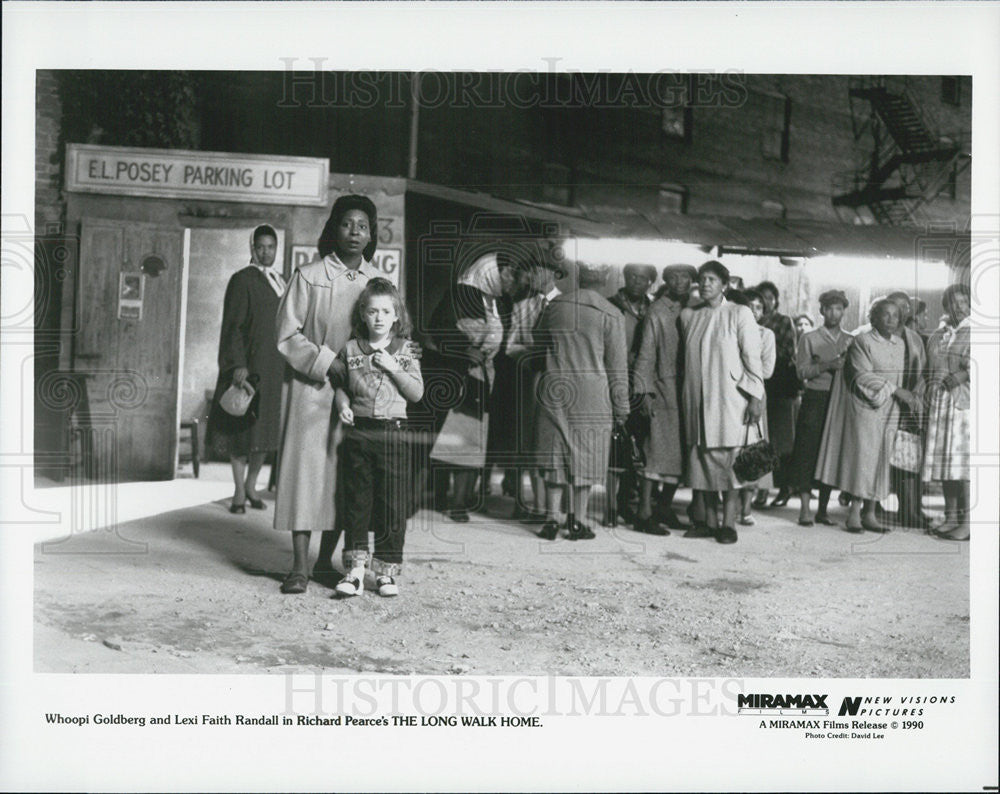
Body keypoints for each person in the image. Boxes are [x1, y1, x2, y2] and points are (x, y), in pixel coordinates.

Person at [274, 195, 380, 595]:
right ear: (333, 229)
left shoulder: (377, 284)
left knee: (343, 479)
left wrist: (358, 369)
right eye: (347, 224)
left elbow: (388, 335)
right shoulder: (308, 275)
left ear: (371, 235)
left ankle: (324, 563)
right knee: (304, 476)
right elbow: (286, 334)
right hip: (309, 389)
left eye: (363, 226)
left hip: (356, 392)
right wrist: (325, 361)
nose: (355, 232)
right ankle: (299, 565)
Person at [329, 279, 423, 597]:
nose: (379, 318)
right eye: (373, 311)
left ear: (396, 315)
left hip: (394, 435)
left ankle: (385, 573)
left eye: (386, 311)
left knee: (392, 505)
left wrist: (395, 367)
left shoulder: (405, 349)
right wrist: (343, 405)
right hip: (360, 434)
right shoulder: (352, 348)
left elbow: (417, 392)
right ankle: (355, 571)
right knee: (357, 503)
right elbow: (340, 385)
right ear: (363, 315)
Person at [534, 262, 629, 541]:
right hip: (592, 393)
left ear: (579, 275)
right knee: (586, 454)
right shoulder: (611, 314)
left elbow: (538, 340)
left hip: (555, 386)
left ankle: (551, 519)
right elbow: (617, 367)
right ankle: (577, 521)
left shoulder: (555, 306)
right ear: (607, 277)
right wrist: (622, 407)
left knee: (555, 452)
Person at [814, 299, 921, 532]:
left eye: (895, 315)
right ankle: (854, 513)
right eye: (886, 315)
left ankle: (870, 513)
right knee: (863, 460)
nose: (892, 319)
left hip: (890, 409)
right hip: (866, 407)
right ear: (874, 318)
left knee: (881, 460)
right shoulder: (862, 341)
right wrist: (895, 391)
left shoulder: (900, 344)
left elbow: (899, 378)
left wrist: (898, 398)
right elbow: (861, 376)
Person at [426, 252, 516, 522]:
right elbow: (438, 329)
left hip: (487, 378)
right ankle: (450, 500)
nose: (512, 278)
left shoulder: (503, 303)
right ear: (490, 271)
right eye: (507, 272)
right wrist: (464, 349)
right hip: (458, 374)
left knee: (476, 437)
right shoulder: (461, 294)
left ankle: (461, 499)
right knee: (457, 435)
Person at [679, 261, 764, 545]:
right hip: (697, 399)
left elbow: (753, 358)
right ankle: (706, 521)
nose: (705, 284)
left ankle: (728, 523)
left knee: (731, 465)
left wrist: (755, 396)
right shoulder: (690, 316)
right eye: (702, 279)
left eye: (712, 279)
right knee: (701, 461)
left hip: (730, 401)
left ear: (724, 285)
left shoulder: (739, 313)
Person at [207, 224, 286, 513]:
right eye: (260, 247)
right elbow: (233, 326)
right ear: (252, 248)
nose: (266, 252)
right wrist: (237, 364)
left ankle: (253, 485)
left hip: (274, 367)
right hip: (248, 365)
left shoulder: (281, 281)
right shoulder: (242, 280)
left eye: (271, 247)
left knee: (264, 431)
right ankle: (239, 490)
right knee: (242, 430)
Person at [631, 264, 697, 534]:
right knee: (655, 451)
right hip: (664, 387)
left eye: (685, 277)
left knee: (681, 453)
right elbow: (645, 353)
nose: (679, 281)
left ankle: (664, 507)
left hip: (690, 390)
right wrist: (643, 390)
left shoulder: (696, 308)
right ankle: (644, 512)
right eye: (674, 277)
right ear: (666, 281)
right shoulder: (658, 311)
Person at [505, 253, 564, 523]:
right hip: (531, 379)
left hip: (560, 381)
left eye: (540, 271)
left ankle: (554, 506)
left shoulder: (566, 306)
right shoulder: (523, 306)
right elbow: (510, 346)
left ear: (555, 275)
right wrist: (531, 357)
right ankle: (535, 505)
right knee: (529, 440)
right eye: (533, 271)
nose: (534, 277)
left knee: (554, 441)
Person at [789, 290, 853, 527]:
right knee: (807, 451)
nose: (834, 313)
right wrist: (828, 365)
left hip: (840, 401)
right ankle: (805, 509)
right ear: (822, 311)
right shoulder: (809, 338)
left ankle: (823, 510)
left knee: (831, 452)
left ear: (844, 311)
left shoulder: (850, 339)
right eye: (829, 308)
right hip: (815, 398)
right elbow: (802, 372)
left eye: (838, 308)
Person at [607, 263, 657, 520]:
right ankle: (610, 505)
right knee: (614, 441)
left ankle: (626, 499)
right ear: (625, 278)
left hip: (644, 382)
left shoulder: (654, 307)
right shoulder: (611, 304)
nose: (637, 281)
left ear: (651, 282)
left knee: (638, 441)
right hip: (616, 378)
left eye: (644, 278)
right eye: (633, 276)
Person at [923, 284, 971, 541]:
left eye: (964, 301)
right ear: (946, 307)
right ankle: (951, 516)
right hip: (942, 405)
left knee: (963, 466)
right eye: (954, 303)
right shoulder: (941, 333)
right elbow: (933, 368)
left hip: (964, 406)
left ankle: (967, 523)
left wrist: (963, 374)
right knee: (946, 464)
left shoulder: (977, 330)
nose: (959, 307)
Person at [885, 291, 932, 530]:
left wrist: (915, 396)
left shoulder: (914, 337)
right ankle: (905, 510)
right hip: (888, 402)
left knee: (911, 457)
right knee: (895, 459)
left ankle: (913, 509)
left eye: (906, 307)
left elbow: (923, 369)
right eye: (896, 306)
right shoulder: (882, 335)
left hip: (912, 404)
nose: (902, 311)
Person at [753, 281, 799, 509]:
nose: (767, 302)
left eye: (770, 298)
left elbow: (790, 353)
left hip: (779, 385)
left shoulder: (783, 322)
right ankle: (761, 489)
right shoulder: (750, 320)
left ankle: (784, 487)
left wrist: (766, 353)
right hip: (759, 386)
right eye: (763, 298)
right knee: (761, 440)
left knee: (781, 441)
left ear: (776, 300)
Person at [735, 288, 776, 526]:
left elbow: (767, 370)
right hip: (730, 394)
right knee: (731, 446)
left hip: (756, 393)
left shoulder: (766, 334)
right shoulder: (732, 328)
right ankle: (728, 502)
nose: (753, 310)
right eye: (749, 305)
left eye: (759, 307)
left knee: (752, 447)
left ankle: (746, 508)